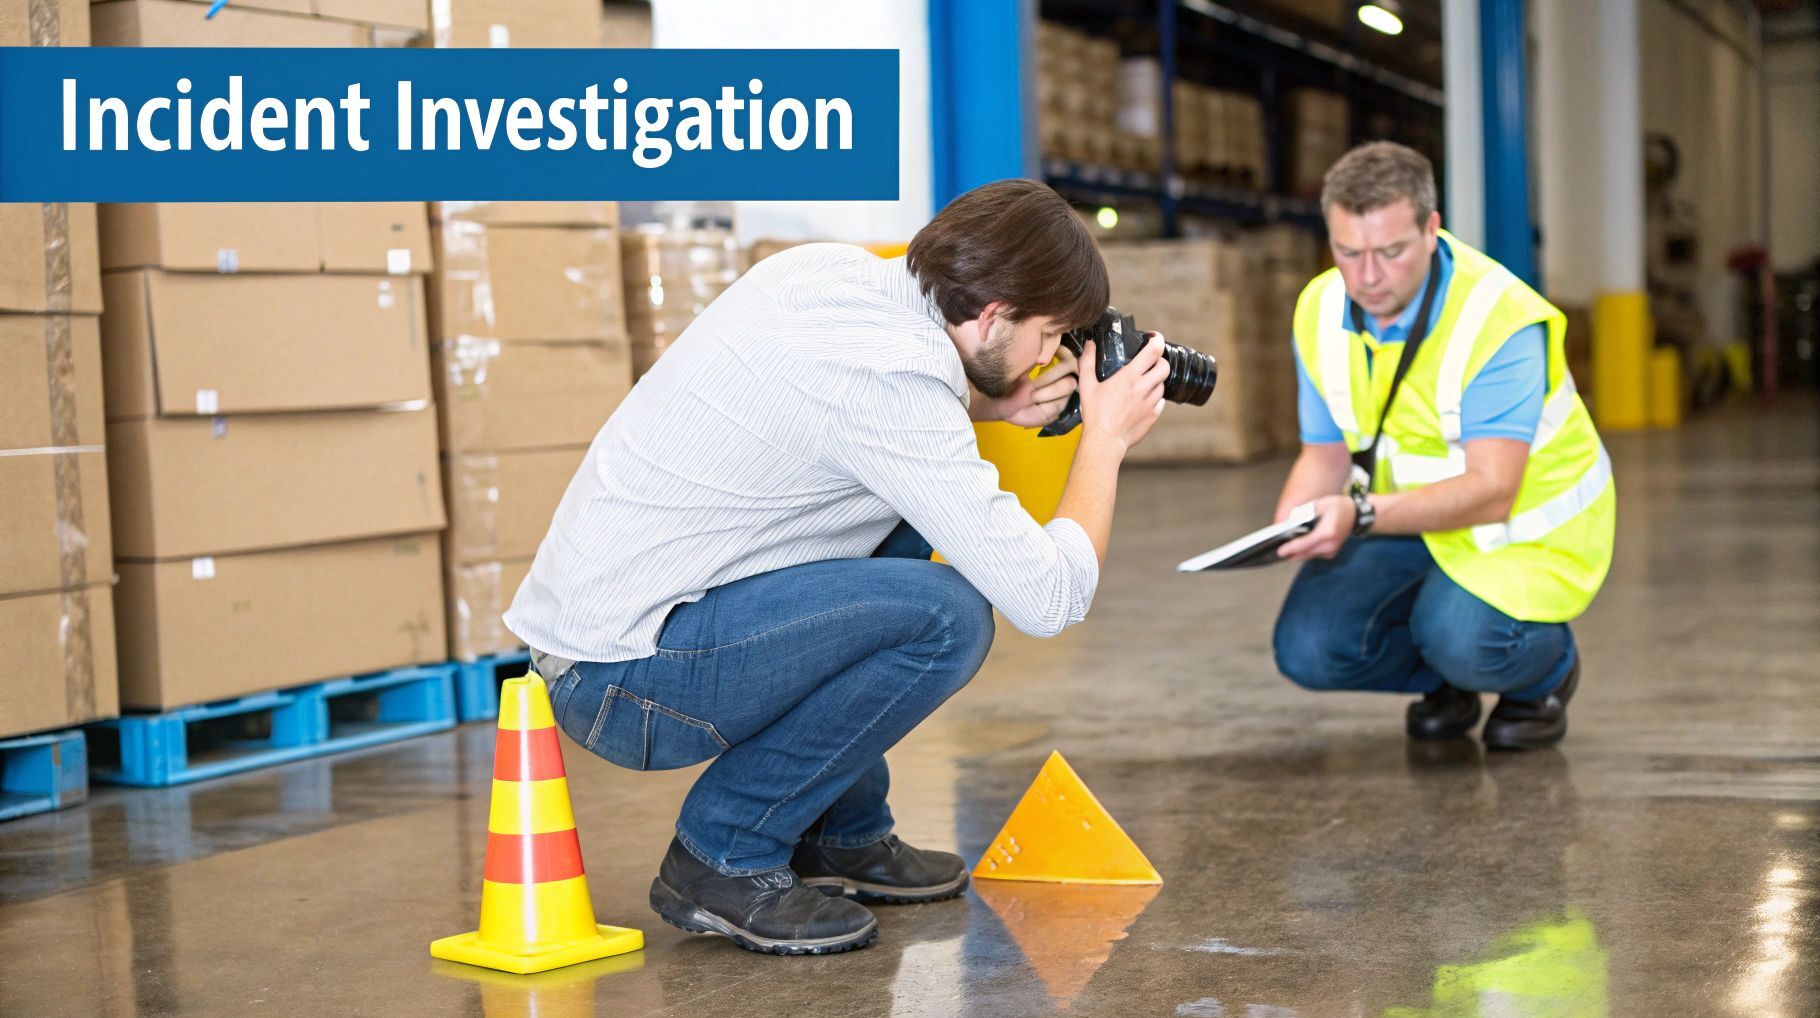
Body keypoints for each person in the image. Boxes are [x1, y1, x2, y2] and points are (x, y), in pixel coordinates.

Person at [504, 179, 1171, 955]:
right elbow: (1050, 599)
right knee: (948, 616)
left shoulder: (831, 274)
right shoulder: (894, 381)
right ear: (991, 315)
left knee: (901, 528)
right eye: (1048, 335)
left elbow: (846, 414)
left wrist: (986, 407)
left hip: (612, 631)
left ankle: (838, 834)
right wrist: (1107, 441)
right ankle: (722, 853)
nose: (1049, 357)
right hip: (623, 682)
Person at [1270, 142, 1615, 751]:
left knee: (1459, 636)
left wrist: (1360, 514)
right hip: (1413, 522)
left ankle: (1545, 672)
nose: (1368, 276)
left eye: (1392, 251)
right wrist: (1284, 528)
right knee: (1309, 648)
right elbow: (1323, 453)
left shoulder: (1498, 320)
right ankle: (1448, 681)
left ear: (1432, 230)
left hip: (1518, 533)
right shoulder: (1320, 309)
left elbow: (1493, 490)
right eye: (1348, 252)